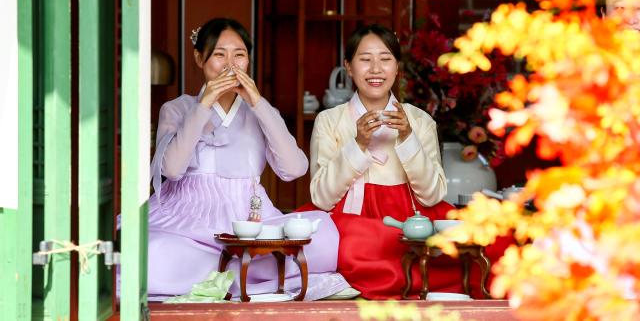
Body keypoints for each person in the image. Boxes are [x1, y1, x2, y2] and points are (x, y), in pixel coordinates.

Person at [147, 18, 349, 301]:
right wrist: (204, 106)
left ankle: (226, 275)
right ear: (199, 58)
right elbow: (172, 169)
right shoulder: (177, 108)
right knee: (152, 251)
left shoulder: (260, 110)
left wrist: (257, 102)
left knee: (325, 235)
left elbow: (294, 169)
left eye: (239, 55)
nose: (230, 64)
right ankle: (245, 275)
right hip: (188, 222)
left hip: (250, 219)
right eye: (219, 54)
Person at [307, 24, 506, 299]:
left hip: (414, 215)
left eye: (385, 59)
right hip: (353, 217)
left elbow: (434, 193)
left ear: (397, 68)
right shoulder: (329, 120)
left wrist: (408, 137)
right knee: (354, 244)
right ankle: (411, 277)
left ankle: (378, 278)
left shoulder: (420, 120)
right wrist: (358, 145)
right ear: (349, 67)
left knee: (494, 243)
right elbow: (321, 197)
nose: (376, 69)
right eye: (365, 59)